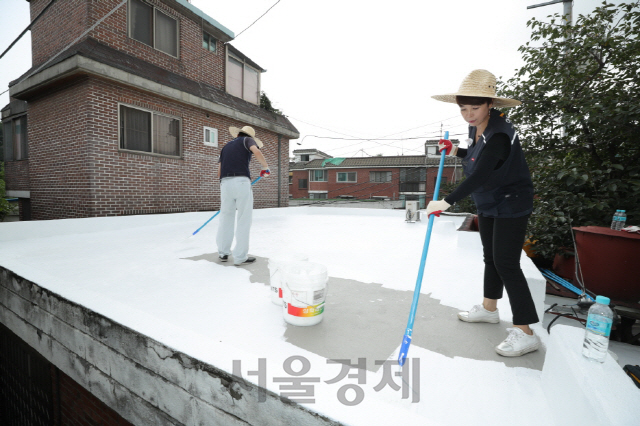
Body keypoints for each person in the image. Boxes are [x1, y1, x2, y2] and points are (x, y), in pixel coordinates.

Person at [426, 69, 541, 357]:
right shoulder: (478, 128)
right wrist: (457, 152)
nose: (469, 114)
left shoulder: (501, 134)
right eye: (463, 109)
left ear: (490, 104)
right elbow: (478, 156)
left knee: (507, 264)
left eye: (475, 108)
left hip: (511, 203)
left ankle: (525, 332)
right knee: (491, 258)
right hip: (489, 200)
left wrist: (447, 202)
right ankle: (490, 309)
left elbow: (481, 172)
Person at [216, 125, 270, 266]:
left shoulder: (225, 147)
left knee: (225, 218)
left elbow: (219, 172)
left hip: (225, 184)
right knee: (243, 219)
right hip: (241, 182)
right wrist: (265, 167)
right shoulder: (247, 140)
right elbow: (256, 151)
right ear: (249, 136)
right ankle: (240, 257)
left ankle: (223, 252)